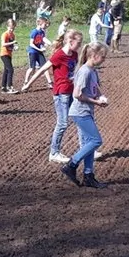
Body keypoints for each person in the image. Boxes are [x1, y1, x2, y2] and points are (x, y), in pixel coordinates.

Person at [23, 28, 83, 164]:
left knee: (80, 118)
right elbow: (43, 69)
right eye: (78, 43)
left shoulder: (74, 55)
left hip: (72, 91)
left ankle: (85, 148)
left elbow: (75, 71)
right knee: (62, 124)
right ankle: (54, 153)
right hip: (61, 93)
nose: (80, 46)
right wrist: (29, 84)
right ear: (70, 41)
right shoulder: (59, 55)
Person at [59, 43, 109, 189]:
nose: (104, 59)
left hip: (87, 111)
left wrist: (101, 97)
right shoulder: (85, 71)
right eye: (103, 56)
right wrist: (96, 102)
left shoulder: (93, 71)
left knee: (89, 143)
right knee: (96, 140)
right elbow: (77, 94)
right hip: (80, 112)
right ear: (94, 56)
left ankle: (89, 176)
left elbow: (95, 88)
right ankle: (71, 165)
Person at [21, 16, 52, 89]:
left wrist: (48, 44)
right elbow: (31, 44)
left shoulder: (42, 32)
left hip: (39, 52)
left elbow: (42, 40)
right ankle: (25, 82)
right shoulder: (34, 32)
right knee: (32, 69)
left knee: (45, 67)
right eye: (45, 24)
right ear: (40, 24)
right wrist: (40, 49)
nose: (45, 26)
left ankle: (50, 82)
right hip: (32, 51)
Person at [0, 18, 18, 94]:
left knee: (6, 70)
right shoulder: (5, 34)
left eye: (13, 28)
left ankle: (3, 87)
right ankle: (9, 86)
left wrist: (15, 47)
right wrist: (12, 43)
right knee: (11, 70)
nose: (12, 30)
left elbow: (12, 45)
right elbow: (3, 44)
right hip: (4, 54)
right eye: (10, 28)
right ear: (7, 27)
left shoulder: (13, 35)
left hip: (9, 54)